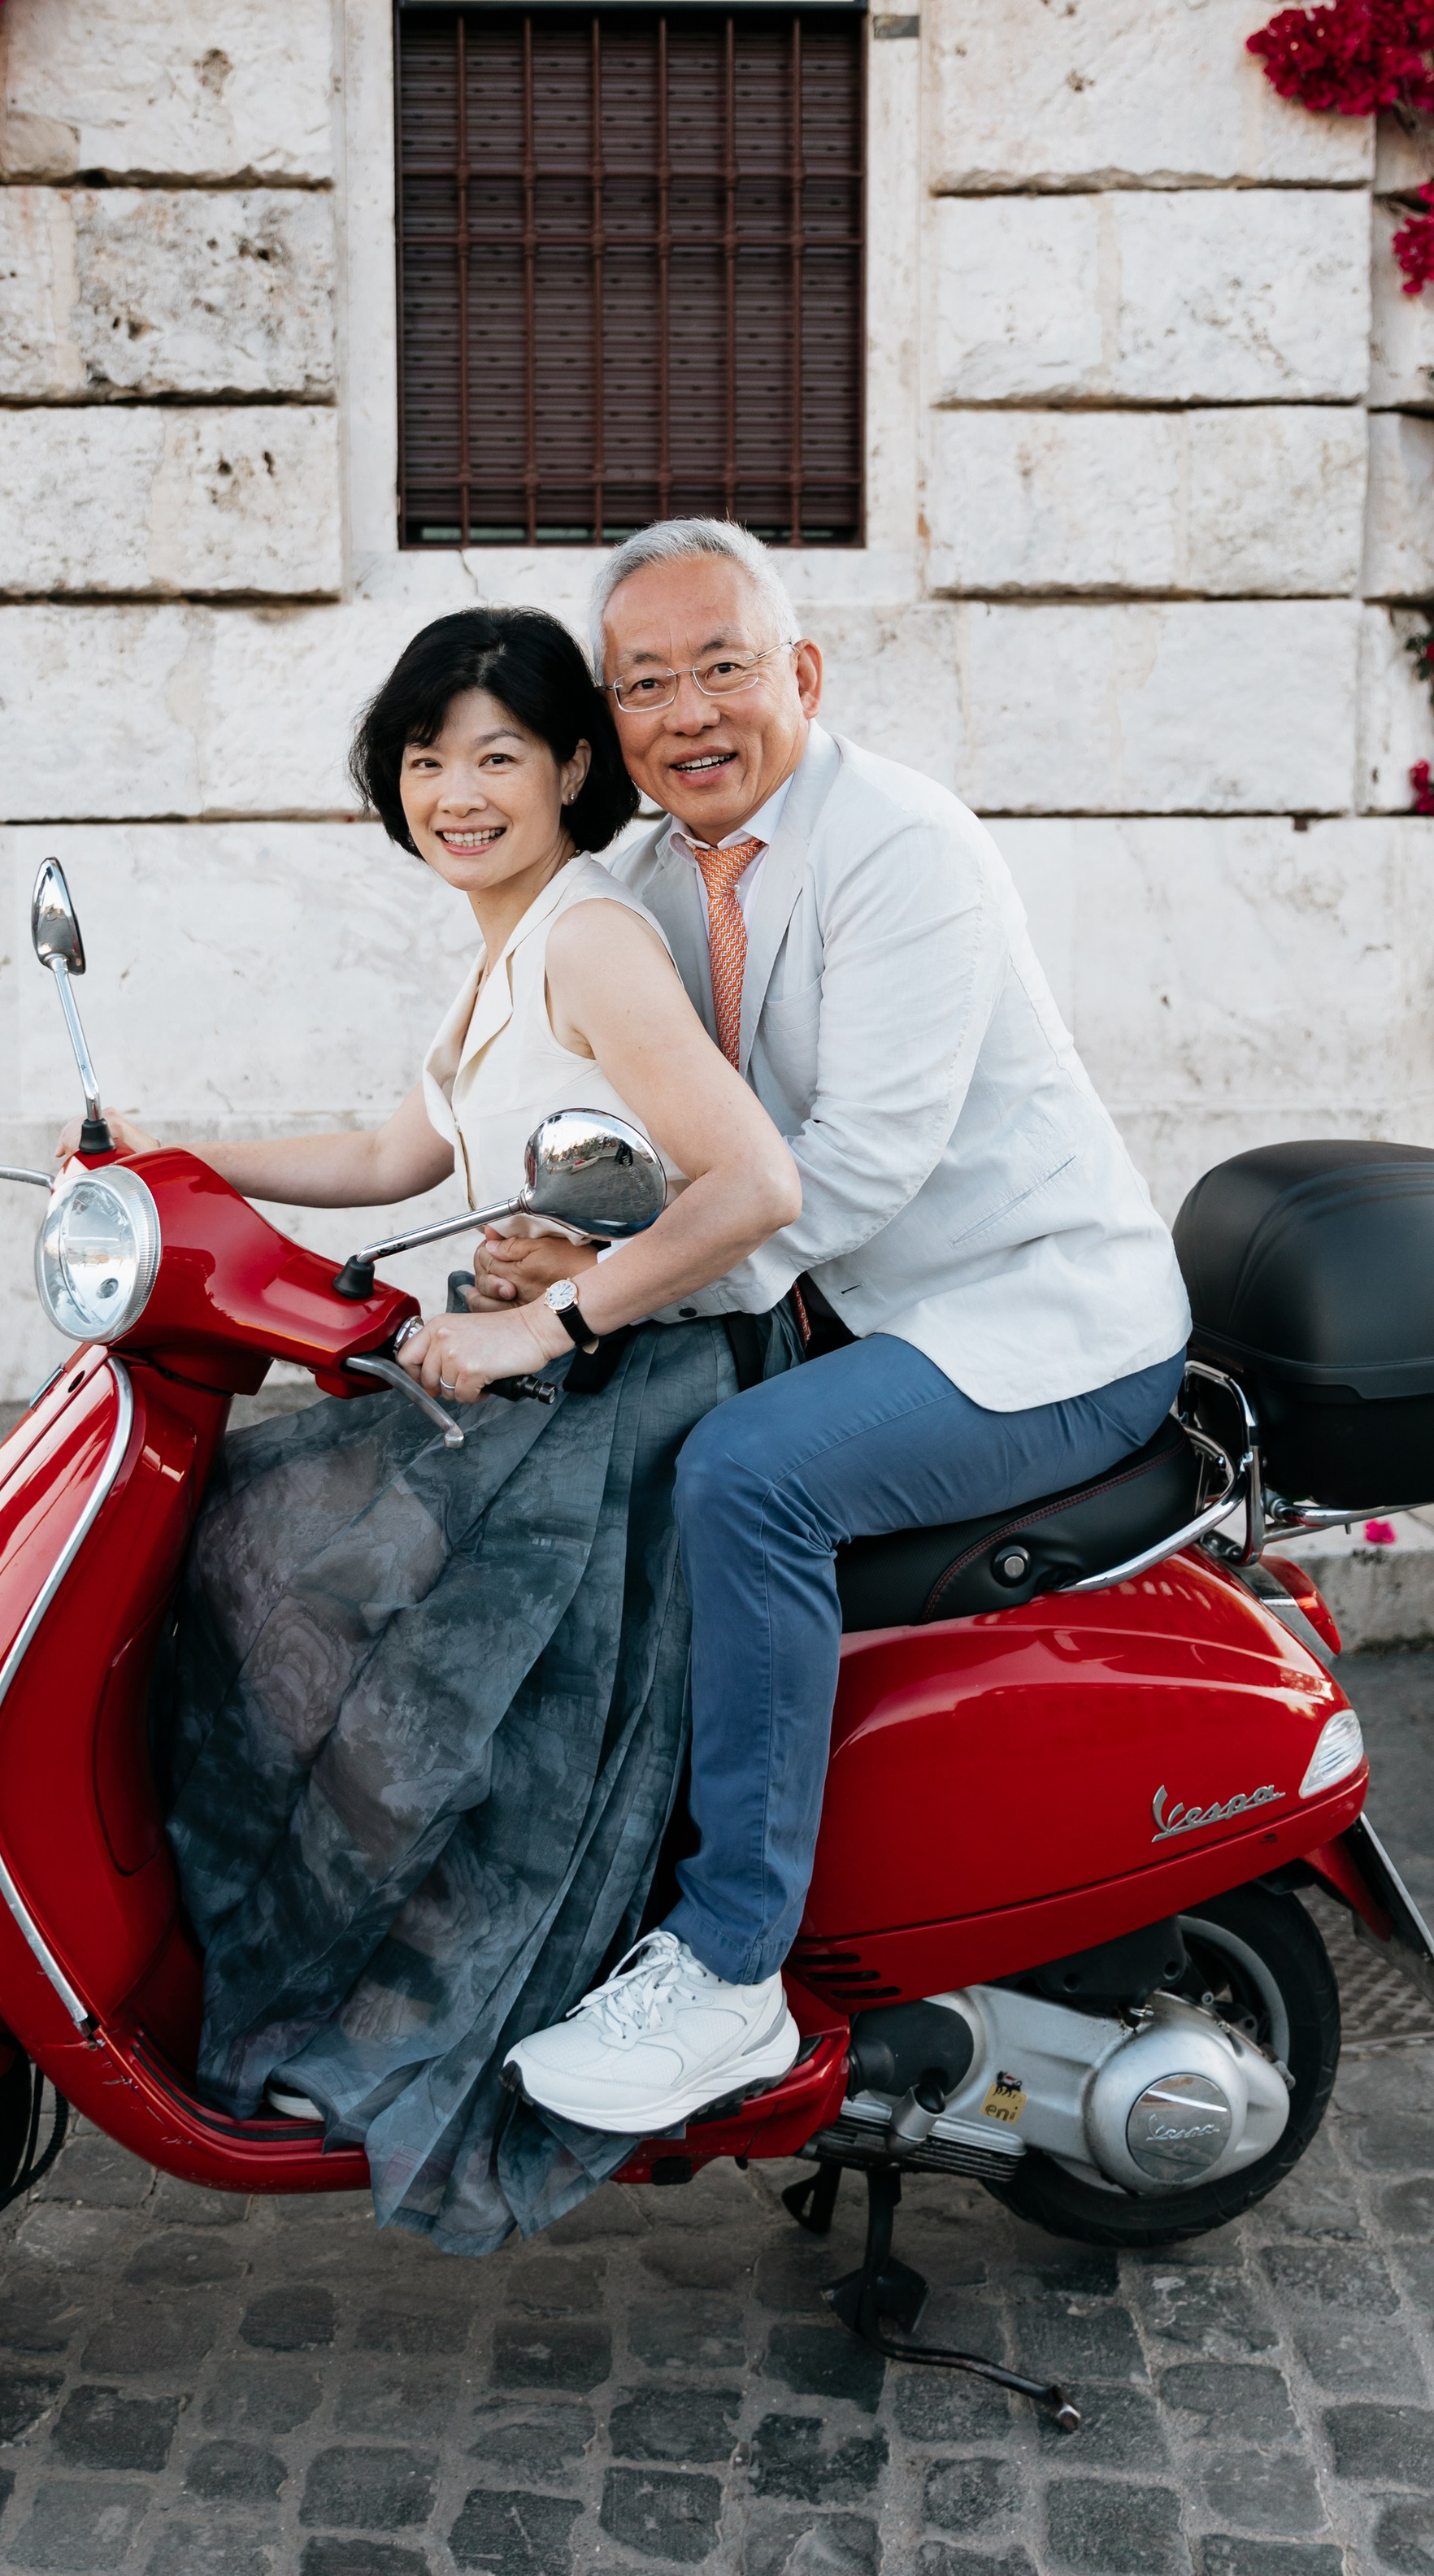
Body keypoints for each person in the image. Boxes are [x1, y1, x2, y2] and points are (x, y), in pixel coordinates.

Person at [71, 606, 801, 2252]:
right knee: (263, 1555)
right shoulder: (504, 937)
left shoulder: (587, 938)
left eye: (494, 756)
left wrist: (559, 1306)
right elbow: (400, 1152)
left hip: (617, 1406)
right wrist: (180, 1151)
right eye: (424, 758)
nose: (454, 790)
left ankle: (422, 2018)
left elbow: (751, 1181)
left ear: (565, 771)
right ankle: (356, 1963)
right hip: (528, 1381)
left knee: (336, 1610)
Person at [474, 519, 1193, 2136]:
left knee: (748, 1476)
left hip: (1034, 1321)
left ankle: (728, 1969)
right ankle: (585, 1870)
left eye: (720, 665)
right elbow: (642, 1122)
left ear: (798, 672)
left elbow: (851, 1168)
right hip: (857, 1310)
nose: (688, 711)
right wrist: (540, 1248)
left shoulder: (900, 847)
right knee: (584, 1440)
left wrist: (609, 1296)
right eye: (644, 683)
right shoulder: (647, 880)